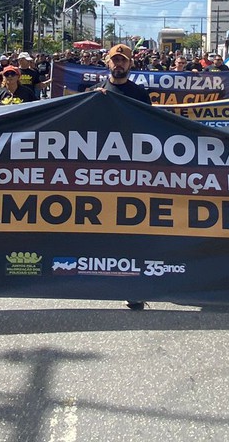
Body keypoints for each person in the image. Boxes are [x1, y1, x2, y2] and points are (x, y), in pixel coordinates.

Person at [89, 43, 151, 310]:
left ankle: (132, 286)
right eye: (115, 60)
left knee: (132, 229)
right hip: (102, 173)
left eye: (123, 60)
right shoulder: (94, 93)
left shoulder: (140, 94)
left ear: (131, 64)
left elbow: (150, 129)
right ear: (107, 62)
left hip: (132, 172)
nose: (119, 64)